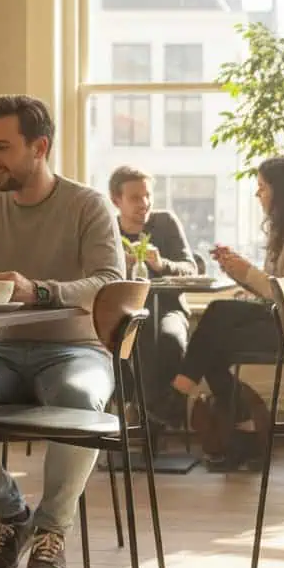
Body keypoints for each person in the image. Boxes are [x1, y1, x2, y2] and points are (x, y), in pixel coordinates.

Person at [0, 94, 124, 568]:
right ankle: (12, 516)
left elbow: (109, 281)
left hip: (77, 349)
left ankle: (51, 529)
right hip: (2, 350)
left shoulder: (86, 205)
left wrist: (40, 290)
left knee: (79, 399)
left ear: (39, 147)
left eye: (2, 146)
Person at [148, 156, 284, 468]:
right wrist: (238, 271)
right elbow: (272, 294)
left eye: (262, 188)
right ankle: (243, 435)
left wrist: (246, 271)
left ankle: (179, 398)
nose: (258, 195)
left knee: (217, 319)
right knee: (216, 339)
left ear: (281, 191)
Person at [109, 165, 198, 415]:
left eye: (148, 195)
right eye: (135, 197)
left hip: (169, 308)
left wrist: (161, 264)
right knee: (134, 334)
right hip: (124, 311)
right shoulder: (109, 229)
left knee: (170, 340)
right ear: (116, 200)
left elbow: (191, 269)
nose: (145, 203)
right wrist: (121, 267)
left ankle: (151, 412)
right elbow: (95, 275)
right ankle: (146, 414)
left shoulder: (165, 222)